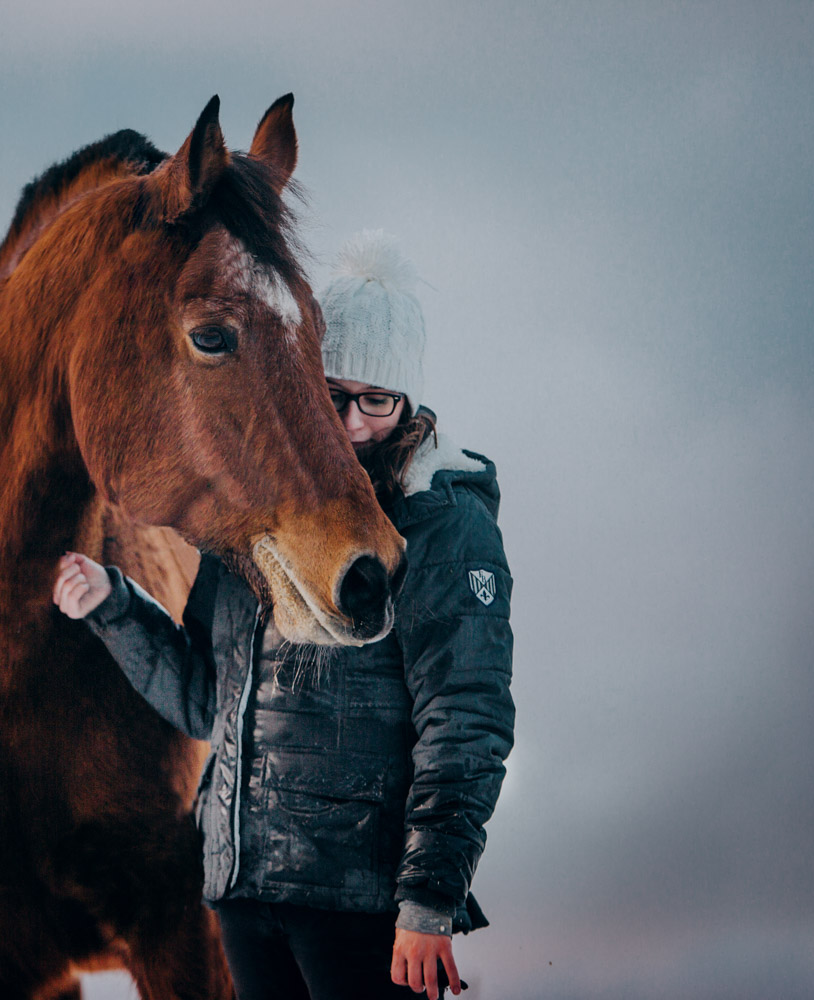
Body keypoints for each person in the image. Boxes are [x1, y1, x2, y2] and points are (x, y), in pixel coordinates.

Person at [53, 231, 514, 1000]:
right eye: (331, 395)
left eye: (376, 400)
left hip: (362, 905)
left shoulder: (443, 525)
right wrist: (115, 609)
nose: (353, 423)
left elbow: (466, 718)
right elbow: (208, 699)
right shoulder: (259, 516)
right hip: (244, 892)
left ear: (406, 402)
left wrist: (429, 901)